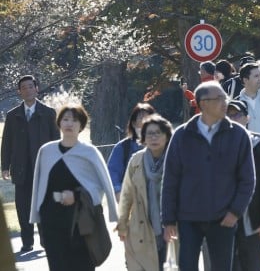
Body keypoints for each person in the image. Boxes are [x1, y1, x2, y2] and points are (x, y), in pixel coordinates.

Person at [161, 81, 255, 271]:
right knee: (187, 267)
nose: (224, 103)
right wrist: (168, 219)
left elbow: (247, 179)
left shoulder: (238, 135)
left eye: (225, 98)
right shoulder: (182, 135)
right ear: (202, 103)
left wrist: (235, 212)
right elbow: (170, 180)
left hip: (224, 217)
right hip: (188, 218)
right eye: (218, 98)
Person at [30, 104, 118, 271]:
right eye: (66, 119)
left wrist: (77, 196)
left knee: (82, 265)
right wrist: (37, 216)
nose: (69, 124)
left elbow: (101, 185)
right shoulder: (46, 151)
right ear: (59, 123)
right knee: (58, 266)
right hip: (52, 219)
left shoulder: (89, 152)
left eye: (75, 120)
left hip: (80, 220)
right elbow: (38, 187)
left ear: (81, 125)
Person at [1, 75, 60, 253]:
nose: (27, 90)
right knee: (23, 206)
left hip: (43, 168)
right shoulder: (12, 115)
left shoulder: (49, 113)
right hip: (20, 169)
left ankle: (46, 240)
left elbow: (56, 141)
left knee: (43, 205)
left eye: (30, 86)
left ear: (37, 89)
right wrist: (4, 165)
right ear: (19, 92)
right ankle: (27, 241)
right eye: (23, 87)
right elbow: (7, 142)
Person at [224, 100, 260, 271]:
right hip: (222, 219)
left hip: (251, 220)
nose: (232, 118)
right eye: (228, 115)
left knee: (253, 264)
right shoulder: (214, 146)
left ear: (247, 118)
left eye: (237, 114)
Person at [117, 115, 173, 270]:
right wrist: (122, 223)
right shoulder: (136, 161)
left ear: (167, 135)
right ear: (143, 137)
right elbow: (126, 194)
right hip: (141, 226)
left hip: (171, 225)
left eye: (158, 133)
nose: (154, 137)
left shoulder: (175, 158)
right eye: (149, 133)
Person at [106, 102, 156, 200]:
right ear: (133, 123)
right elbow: (113, 175)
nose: (145, 122)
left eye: (149, 118)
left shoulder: (163, 146)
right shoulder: (122, 147)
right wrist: (119, 194)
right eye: (141, 118)